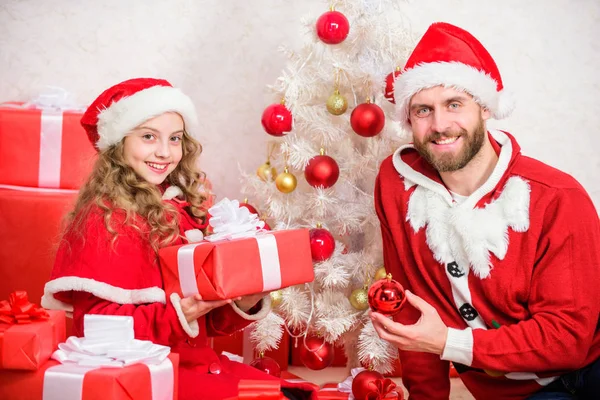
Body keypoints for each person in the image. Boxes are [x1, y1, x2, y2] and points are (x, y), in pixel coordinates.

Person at [41, 78, 316, 400]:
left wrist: (244, 299)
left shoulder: (181, 209)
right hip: (147, 379)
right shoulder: (104, 220)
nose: (164, 152)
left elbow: (202, 324)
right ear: (118, 145)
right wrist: (179, 315)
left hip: (194, 365)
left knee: (302, 394)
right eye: (148, 137)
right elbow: (95, 331)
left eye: (174, 139)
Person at [371, 22, 600, 399]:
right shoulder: (397, 186)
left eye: (454, 104)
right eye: (423, 110)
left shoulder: (556, 196)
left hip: (588, 367)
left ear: (484, 109)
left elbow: (568, 339)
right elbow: (413, 306)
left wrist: (449, 343)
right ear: (409, 119)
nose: (440, 125)